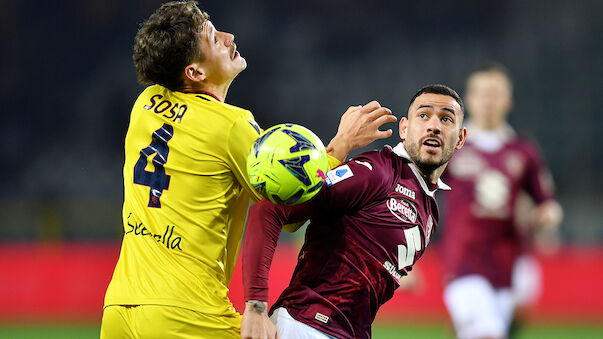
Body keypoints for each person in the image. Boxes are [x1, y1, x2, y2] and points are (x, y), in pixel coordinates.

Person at [100, 1, 396, 338]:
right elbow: (292, 206)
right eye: (213, 39)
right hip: (187, 312)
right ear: (194, 72)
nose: (228, 38)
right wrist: (340, 145)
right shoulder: (232, 126)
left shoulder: (144, 105)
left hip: (119, 308)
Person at [241, 84, 468, 339]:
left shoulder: (430, 212)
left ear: (460, 138)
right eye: (423, 115)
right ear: (404, 128)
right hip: (305, 326)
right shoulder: (377, 171)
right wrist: (255, 305)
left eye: (446, 119)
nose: (434, 126)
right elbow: (269, 211)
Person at [440, 63, 563, 339]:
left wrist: (548, 216)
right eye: (482, 93)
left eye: (495, 94)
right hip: (463, 262)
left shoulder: (523, 151)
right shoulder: (451, 147)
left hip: (507, 266)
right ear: (468, 100)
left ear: (508, 101)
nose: (488, 101)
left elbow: (547, 202)